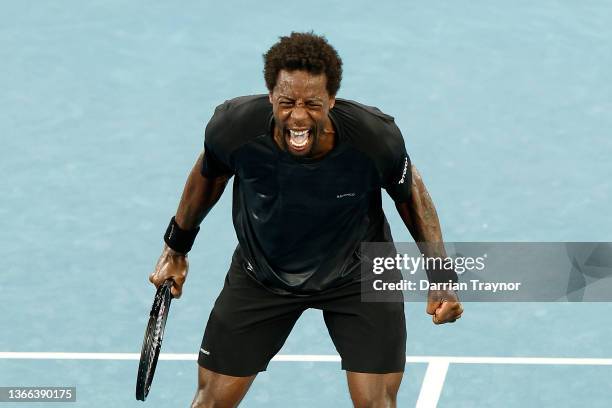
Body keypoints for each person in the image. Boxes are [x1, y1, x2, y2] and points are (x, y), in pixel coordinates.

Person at [149, 31, 463, 408]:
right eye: (287, 102)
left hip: (359, 272)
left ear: (332, 99)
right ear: (270, 97)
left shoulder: (374, 138)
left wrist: (441, 275)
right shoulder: (234, 128)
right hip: (261, 272)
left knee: (377, 404)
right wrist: (176, 248)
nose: (298, 116)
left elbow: (412, 196)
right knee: (210, 402)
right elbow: (208, 177)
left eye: (312, 103)